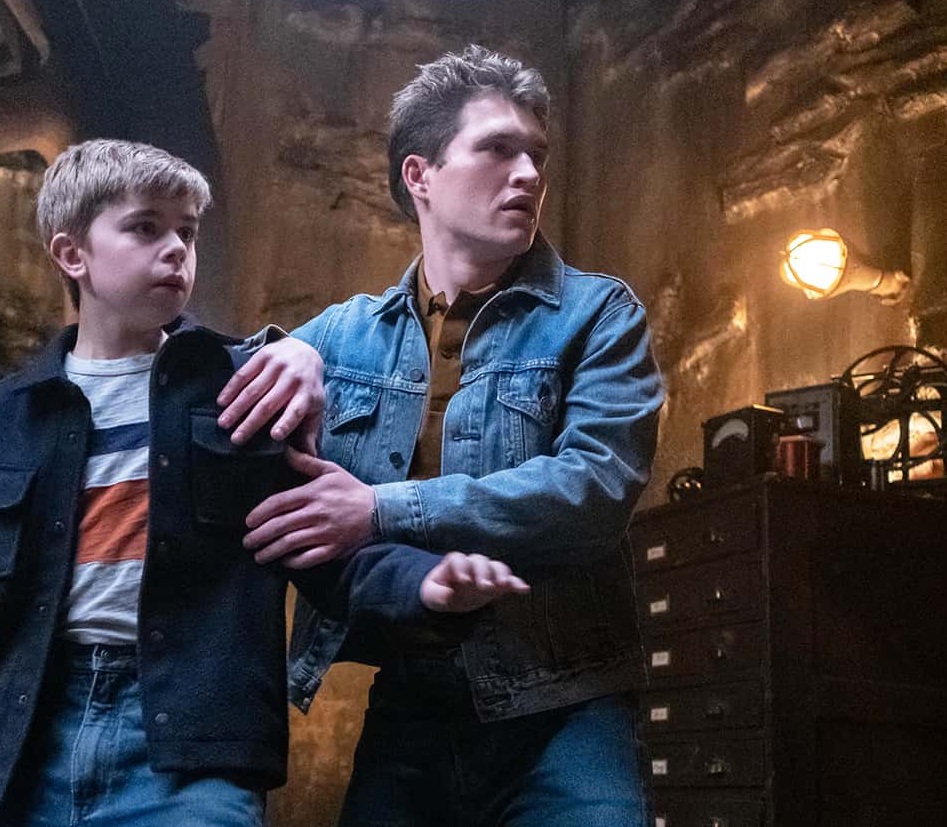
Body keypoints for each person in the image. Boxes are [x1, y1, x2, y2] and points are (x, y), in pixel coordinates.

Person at [0, 138, 528, 827]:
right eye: (144, 227)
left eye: (187, 232)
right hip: (15, 753)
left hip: (187, 759)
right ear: (73, 254)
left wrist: (426, 585)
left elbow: (326, 544)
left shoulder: (244, 393)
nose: (176, 249)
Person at [238, 46, 665, 825]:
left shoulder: (598, 314)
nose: (528, 173)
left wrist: (380, 509)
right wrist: (282, 347)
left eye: (536, 154)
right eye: (497, 149)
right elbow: (208, 396)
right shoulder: (342, 336)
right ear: (420, 175)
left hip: (567, 708)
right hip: (410, 709)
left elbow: (594, 489)